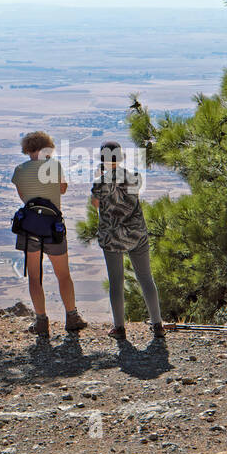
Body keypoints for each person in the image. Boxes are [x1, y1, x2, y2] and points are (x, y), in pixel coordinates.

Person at [12, 131, 86, 337]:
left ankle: (41, 321)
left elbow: (23, 197)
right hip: (53, 226)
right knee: (63, 275)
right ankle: (72, 316)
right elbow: (62, 190)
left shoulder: (19, 170)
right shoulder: (55, 166)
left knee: (34, 277)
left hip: (29, 228)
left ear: (27, 148)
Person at [91, 140, 164, 341]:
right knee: (146, 279)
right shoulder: (134, 177)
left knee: (116, 282)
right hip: (136, 233)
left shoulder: (100, 182)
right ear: (121, 157)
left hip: (111, 236)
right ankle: (157, 324)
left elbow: (95, 204)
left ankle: (119, 328)